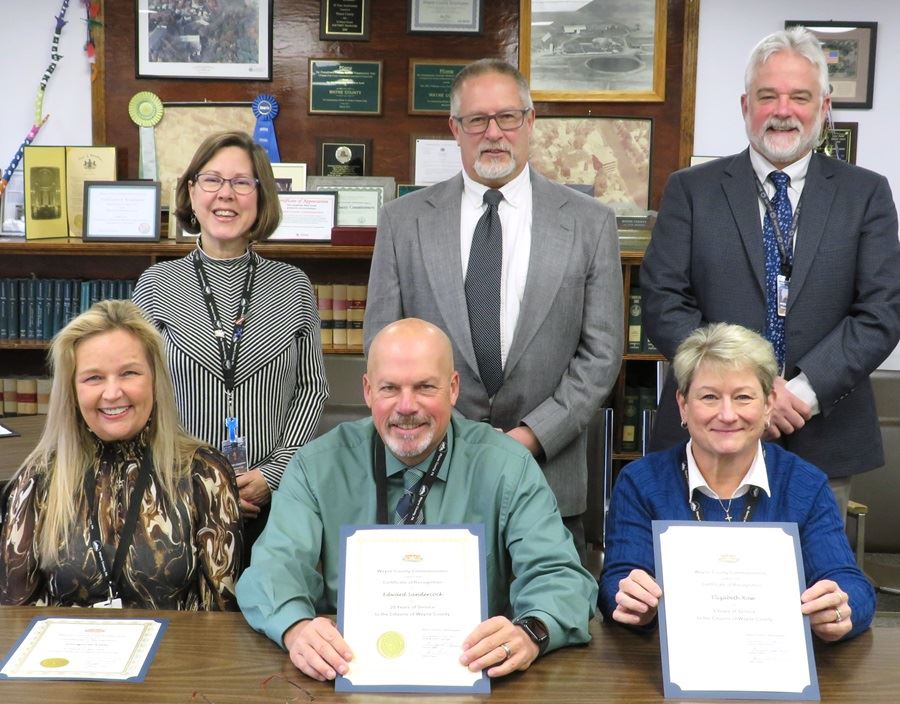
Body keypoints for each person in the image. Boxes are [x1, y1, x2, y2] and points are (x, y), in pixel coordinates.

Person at [237, 318, 597, 682]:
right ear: (367, 391)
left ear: (453, 389)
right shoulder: (316, 467)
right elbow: (271, 571)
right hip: (349, 670)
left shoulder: (509, 466)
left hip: (478, 672)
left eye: (425, 387)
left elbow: (562, 576)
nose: (406, 406)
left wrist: (530, 633)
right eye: (390, 388)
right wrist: (296, 629)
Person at [364, 59, 623, 558]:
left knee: (548, 623)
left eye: (507, 117)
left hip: (549, 474)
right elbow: (382, 344)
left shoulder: (590, 224)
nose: (493, 133)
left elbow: (602, 354)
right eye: (477, 120)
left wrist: (531, 435)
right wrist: (451, 435)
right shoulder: (403, 221)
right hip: (431, 470)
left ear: (530, 123)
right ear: (454, 130)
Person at [640, 27, 900, 518]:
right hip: (707, 431)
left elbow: (881, 312)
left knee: (816, 587)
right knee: (702, 585)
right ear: (745, 106)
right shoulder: (691, 190)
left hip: (822, 433)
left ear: (824, 108)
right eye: (768, 96)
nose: (783, 110)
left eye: (799, 97)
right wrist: (742, 392)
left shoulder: (866, 194)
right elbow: (662, 302)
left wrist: (797, 393)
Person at [599, 323, 875, 642]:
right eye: (710, 397)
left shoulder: (804, 483)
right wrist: (632, 603)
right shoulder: (641, 482)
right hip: (667, 668)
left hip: (776, 663)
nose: (728, 415)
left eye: (743, 397)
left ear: (769, 404)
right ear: (683, 405)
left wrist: (840, 609)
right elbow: (616, 581)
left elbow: (851, 584)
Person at [133, 131, 328, 554]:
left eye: (242, 182)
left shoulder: (293, 286)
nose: (227, 194)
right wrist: (193, 482)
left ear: (261, 196)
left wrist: (273, 474)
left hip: (272, 505)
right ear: (191, 190)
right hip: (175, 498)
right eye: (212, 180)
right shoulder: (156, 286)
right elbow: (138, 395)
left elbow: (312, 389)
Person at [0, 300, 243, 609]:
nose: (113, 393)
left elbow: (221, 615)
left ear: (155, 380)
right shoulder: (39, 478)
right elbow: (13, 615)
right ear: (72, 392)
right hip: (68, 656)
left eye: (129, 373)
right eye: (93, 378)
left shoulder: (203, 474)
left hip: (177, 655)